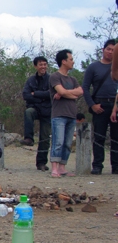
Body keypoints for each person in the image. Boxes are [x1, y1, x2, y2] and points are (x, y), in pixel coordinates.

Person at [81, 39, 116, 175]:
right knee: (99, 137)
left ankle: (116, 166)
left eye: (113, 50)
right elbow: (85, 87)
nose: (110, 52)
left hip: (115, 105)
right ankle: (97, 165)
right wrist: (92, 105)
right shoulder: (93, 67)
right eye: (108, 49)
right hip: (99, 104)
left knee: (116, 137)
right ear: (103, 50)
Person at [49, 49, 83, 178]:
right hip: (59, 114)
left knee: (68, 143)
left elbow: (80, 92)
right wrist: (70, 93)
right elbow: (61, 91)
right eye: (71, 59)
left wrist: (66, 93)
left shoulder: (73, 79)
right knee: (58, 142)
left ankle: (63, 167)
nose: (73, 62)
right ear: (64, 61)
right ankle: (54, 168)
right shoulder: (55, 77)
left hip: (71, 114)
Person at [22, 56, 52, 171]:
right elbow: (26, 95)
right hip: (34, 108)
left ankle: (41, 163)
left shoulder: (51, 79)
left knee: (45, 137)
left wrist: (36, 94)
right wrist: (41, 97)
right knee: (28, 112)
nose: (43, 67)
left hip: (47, 110)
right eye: (41, 64)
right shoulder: (30, 80)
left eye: (45, 64)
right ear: (36, 66)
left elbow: (51, 94)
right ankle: (28, 138)